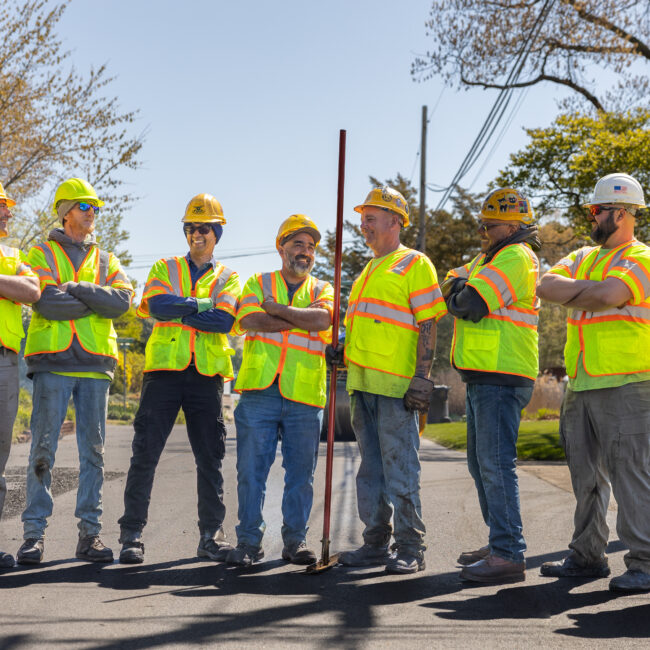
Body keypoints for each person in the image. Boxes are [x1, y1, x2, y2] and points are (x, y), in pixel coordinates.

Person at [537, 173, 650, 593]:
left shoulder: (641, 257)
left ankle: (644, 563)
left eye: (597, 210)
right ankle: (587, 556)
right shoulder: (584, 254)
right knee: (585, 477)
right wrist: (592, 289)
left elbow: (608, 298)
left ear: (621, 212)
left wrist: (584, 292)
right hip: (582, 384)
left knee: (631, 475)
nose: (592, 216)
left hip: (629, 384)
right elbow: (545, 285)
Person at [118, 194, 241, 564]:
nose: (196, 234)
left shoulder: (230, 277)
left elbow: (225, 321)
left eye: (203, 228)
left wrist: (181, 309)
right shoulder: (163, 266)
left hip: (206, 376)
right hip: (163, 374)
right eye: (190, 227)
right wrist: (202, 305)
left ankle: (210, 536)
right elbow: (156, 306)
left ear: (217, 232)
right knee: (145, 455)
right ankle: (131, 536)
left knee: (211, 458)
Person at [18, 178, 133, 564]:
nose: (93, 214)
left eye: (96, 208)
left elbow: (121, 302)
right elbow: (47, 303)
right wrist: (93, 299)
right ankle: (33, 536)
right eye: (87, 207)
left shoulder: (107, 258)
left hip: (95, 366)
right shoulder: (39, 253)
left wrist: (77, 288)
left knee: (94, 454)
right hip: (52, 362)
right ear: (67, 211)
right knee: (43, 450)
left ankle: (90, 536)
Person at [336, 186, 446, 574]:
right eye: (362, 217)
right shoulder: (368, 269)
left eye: (370, 217)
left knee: (401, 467)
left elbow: (428, 322)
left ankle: (411, 547)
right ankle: (375, 542)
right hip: (362, 383)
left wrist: (422, 378)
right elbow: (365, 326)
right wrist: (343, 348)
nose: (362, 224)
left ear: (395, 222)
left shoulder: (414, 263)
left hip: (397, 386)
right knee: (371, 469)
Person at [442, 188, 541, 583]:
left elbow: (469, 303)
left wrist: (462, 283)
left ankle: (508, 553)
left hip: (504, 374)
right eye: (482, 224)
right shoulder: (490, 257)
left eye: (491, 225)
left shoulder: (516, 256)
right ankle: (499, 541)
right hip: (485, 376)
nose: (483, 230)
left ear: (514, 226)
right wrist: (460, 282)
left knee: (495, 465)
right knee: (481, 464)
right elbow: (449, 281)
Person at [227, 215, 333, 566]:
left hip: (304, 394)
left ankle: (296, 542)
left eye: (311, 247)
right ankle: (248, 542)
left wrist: (276, 310)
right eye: (298, 244)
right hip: (260, 392)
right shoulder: (257, 281)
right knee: (250, 472)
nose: (305, 252)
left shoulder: (323, 289)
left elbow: (322, 321)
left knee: (301, 476)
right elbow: (249, 320)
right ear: (281, 247)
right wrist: (295, 316)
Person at [0, 182, 41, 570]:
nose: (9, 213)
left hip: (5, 363)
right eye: (2, 205)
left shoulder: (13, 256)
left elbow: (31, 290)